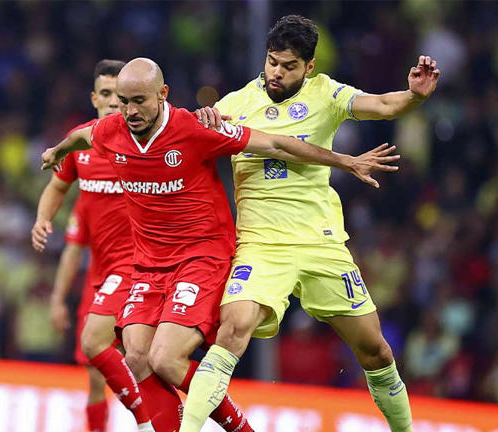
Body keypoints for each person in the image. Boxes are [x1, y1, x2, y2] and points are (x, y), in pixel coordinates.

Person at [41, 57, 400, 432]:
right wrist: (57, 151)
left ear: (163, 95)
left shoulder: (192, 129)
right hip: (148, 265)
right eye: (124, 100)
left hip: (201, 257)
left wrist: (344, 161)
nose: (130, 111)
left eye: (140, 101)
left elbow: (276, 143)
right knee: (137, 357)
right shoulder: (110, 131)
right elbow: (82, 136)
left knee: (165, 358)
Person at [183, 15, 440, 432]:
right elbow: (187, 137)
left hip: (321, 243)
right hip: (261, 245)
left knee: (375, 351)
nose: (276, 73)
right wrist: (200, 121)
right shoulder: (235, 104)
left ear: (309, 67)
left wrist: (414, 96)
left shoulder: (328, 94)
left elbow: (383, 105)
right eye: (271, 62)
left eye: (287, 66)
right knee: (233, 329)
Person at [31, 59, 158, 432]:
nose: (113, 104)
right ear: (94, 98)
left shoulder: (142, 143)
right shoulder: (81, 147)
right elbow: (58, 190)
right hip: (99, 277)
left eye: (118, 97)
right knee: (95, 370)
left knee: (132, 355)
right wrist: (42, 219)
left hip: (138, 268)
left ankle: (151, 419)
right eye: (105, 95)